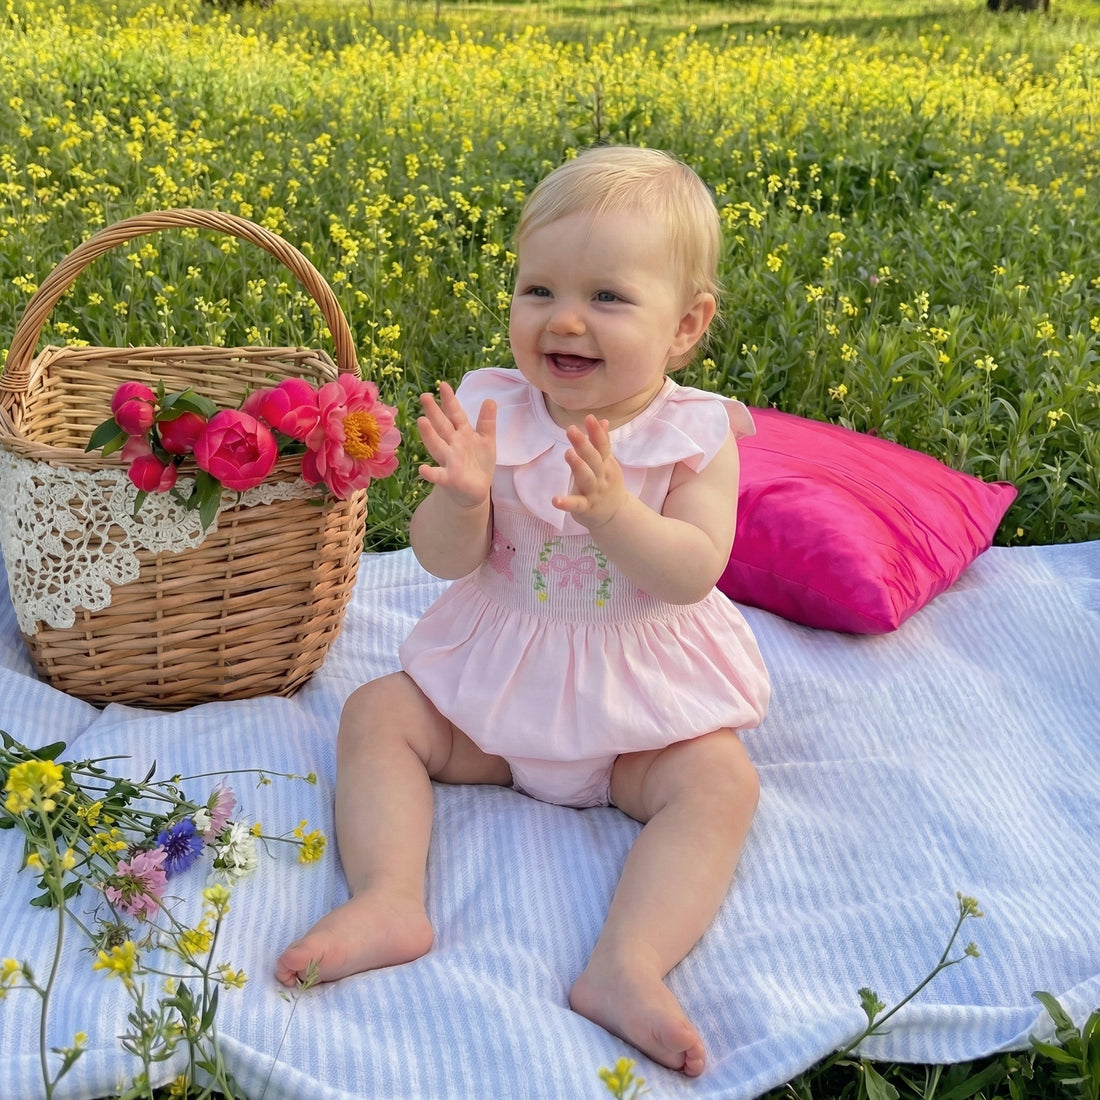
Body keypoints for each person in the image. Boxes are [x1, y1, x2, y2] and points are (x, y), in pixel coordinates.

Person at [276, 145, 770, 1077]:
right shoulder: (494, 409)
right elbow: (441, 561)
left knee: (720, 784)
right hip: (498, 698)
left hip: (639, 718)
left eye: (608, 298)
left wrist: (622, 515)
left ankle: (627, 964)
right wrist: (462, 500)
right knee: (377, 712)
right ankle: (390, 897)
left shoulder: (694, 435)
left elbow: (693, 570)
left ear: (686, 327)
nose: (564, 319)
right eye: (537, 289)